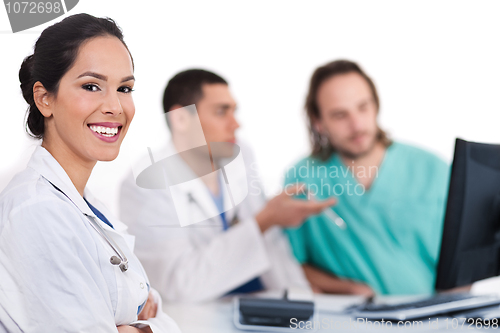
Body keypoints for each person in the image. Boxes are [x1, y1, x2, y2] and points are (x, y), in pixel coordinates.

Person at [0, 14, 180, 333]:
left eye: (125, 88)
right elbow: (148, 309)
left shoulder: (86, 204)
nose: (115, 106)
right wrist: (143, 323)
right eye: (92, 86)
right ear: (44, 99)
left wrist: (138, 328)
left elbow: (158, 309)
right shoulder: (36, 212)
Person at [119, 69, 335, 303]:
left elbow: (273, 247)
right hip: (198, 318)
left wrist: (301, 297)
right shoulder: (145, 184)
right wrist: (265, 219)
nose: (236, 124)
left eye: (234, 111)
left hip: (262, 302)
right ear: (180, 118)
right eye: (222, 112)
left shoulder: (240, 155)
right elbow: (178, 285)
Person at [284, 60, 449, 296]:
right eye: (340, 115)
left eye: (363, 107)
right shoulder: (302, 179)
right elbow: (288, 264)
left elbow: (467, 253)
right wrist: (347, 289)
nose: (356, 125)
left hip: (438, 319)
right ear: (318, 122)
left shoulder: (433, 169)